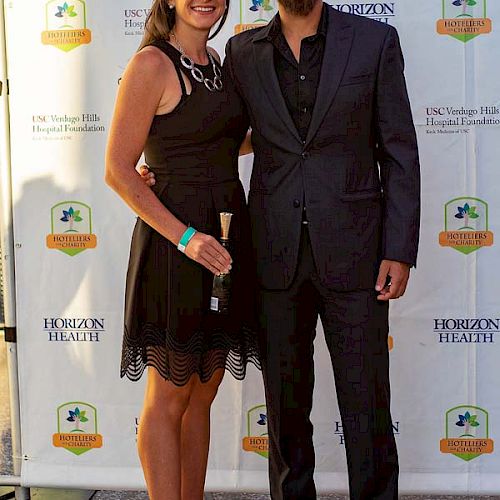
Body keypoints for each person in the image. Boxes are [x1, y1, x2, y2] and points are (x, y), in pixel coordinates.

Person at [142, 0, 420, 498]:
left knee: (368, 407)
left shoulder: (374, 41)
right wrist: (161, 165)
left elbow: (398, 150)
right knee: (286, 414)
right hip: (271, 254)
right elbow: (218, 128)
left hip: (357, 256)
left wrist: (398, 250)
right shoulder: (240, 52)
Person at [104, 0, 260, 499]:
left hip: (227, 238)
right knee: (170, 394)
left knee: (203, 393)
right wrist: (187, 238)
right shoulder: (152, 63)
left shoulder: (219, 63)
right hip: (177, 247)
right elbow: (118, 170)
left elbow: (218, 138)